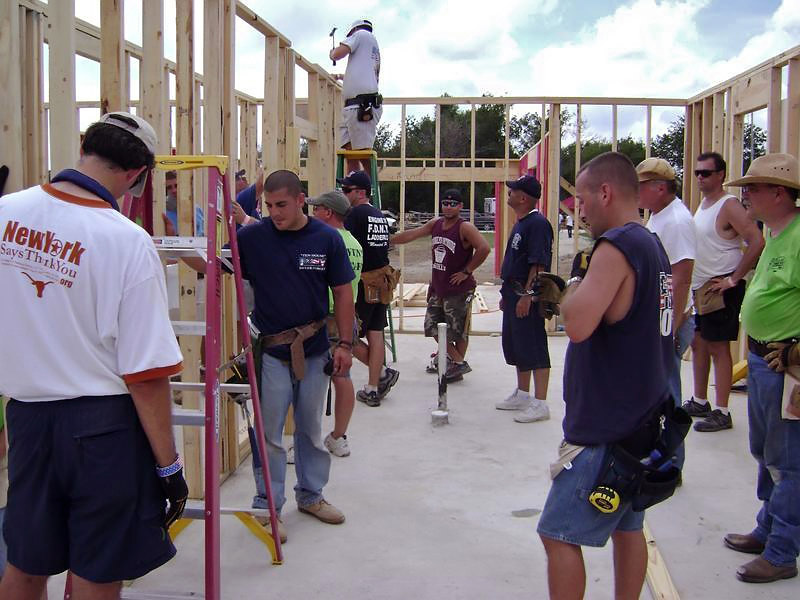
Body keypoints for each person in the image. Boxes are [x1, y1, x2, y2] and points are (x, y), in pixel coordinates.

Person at [0, 111, 187, 599]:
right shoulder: (126, 241)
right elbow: (146, 374)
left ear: (84, 144)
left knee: (24, 564)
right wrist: (169, 467)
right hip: (103, 428)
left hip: (27, 419)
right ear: (137, 174)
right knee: (97, 571)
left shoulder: (5, 213)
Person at [537, 151, 674, 599]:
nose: (579, 210)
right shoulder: (652, 245)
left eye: (582, 199)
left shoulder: (616, 247)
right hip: (641, 419)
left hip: (606, 427)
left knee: (558, 533)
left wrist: (573, 288)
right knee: (627, 525)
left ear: (606, 192)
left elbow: (575, 325)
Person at [238, 170, 354, 540]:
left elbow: (344, 292)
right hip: (271, 351)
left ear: (301, 200)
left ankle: (311, 495)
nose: (274, 212)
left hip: (315, 348)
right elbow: (215, 267)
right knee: (269, 432)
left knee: (311, 429)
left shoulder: (326, 239)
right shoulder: (253, 238)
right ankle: (268, 506)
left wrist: (346, 345)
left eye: (282, 205)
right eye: (268, 205)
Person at [722, 153, 800, 584]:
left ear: (779, 192)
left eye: (752, 188)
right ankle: (767, 529)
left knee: (789, 464)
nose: (745, 194)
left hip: (786, 365)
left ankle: (783, 551)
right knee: (765, 455)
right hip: (763, 358)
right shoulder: (776, 232)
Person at [684, 152, 764, 432]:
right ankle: (700, 399)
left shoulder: (729, 205)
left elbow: (756, 241)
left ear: (720, 175)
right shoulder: (705, 204)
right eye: (697, 173)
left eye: (706, 173)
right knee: (699, 344)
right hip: (703, 287)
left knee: (719, 347)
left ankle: (722, 410)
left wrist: (733, 279)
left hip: (721, 288)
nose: (700, 178)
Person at [391, 188, 490, 382]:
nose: (448, 206)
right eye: (445, 203)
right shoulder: (435, 224)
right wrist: (388, 240)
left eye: (453, 204)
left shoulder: (464, 227)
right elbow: (413, 234)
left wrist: (466, 271)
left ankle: (456, 364)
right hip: (439, 286)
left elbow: (484, 248)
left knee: (458, 330)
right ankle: (456, 361)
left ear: (460, 206)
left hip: (459, 289)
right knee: (433, 326)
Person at [636, 158, 696, 437]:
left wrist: (670, 326)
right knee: (655, 391)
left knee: (667, 393)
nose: (637, 191)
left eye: (641, 186)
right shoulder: (659, 215)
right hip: (661, 319)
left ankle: (671, 462)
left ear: (660, 188)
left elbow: (681, 277)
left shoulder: (676, 220)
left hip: (668, 321)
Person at [306, 190, 364, 458]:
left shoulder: (324, 240)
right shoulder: (354, 242)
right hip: (346, 317)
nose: (312, 213)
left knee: (311, 383)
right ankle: (339, 437)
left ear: (328, 212)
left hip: (324, 317)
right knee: (343, 377)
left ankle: (307, 443)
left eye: (316, 208)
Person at [494, 175, 554, 423]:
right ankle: (523, 394)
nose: (508, 194)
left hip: (526, 294)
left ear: (523, 197)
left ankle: (540, 403)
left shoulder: (537, 224)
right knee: (518, 346)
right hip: (514, 292)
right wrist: (507, 296)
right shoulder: (522, 223)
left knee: (534, 345)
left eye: (512, 191)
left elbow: (538, 264)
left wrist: (528, 296)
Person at [341, 170, 399, 407]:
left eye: (347, 191)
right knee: (375, 334)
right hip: (382, 281)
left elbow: (348, 246)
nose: (344, 195)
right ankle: (373, 387)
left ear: (360, 192)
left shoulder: (355, 214)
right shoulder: (378, 214)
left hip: (364, 283)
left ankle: (383, 373)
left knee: (347, 337)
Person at [330, 19, 382, 173]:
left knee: (362, 153)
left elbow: (338, 54)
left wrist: (332, 54)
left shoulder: (361, 34)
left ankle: (370, 191)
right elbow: (360, 75)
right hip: (355, 106)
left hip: (361, 106)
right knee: (350, 151)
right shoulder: (370, 47)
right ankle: (351, 188)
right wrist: (340, 76)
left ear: (353, 31)